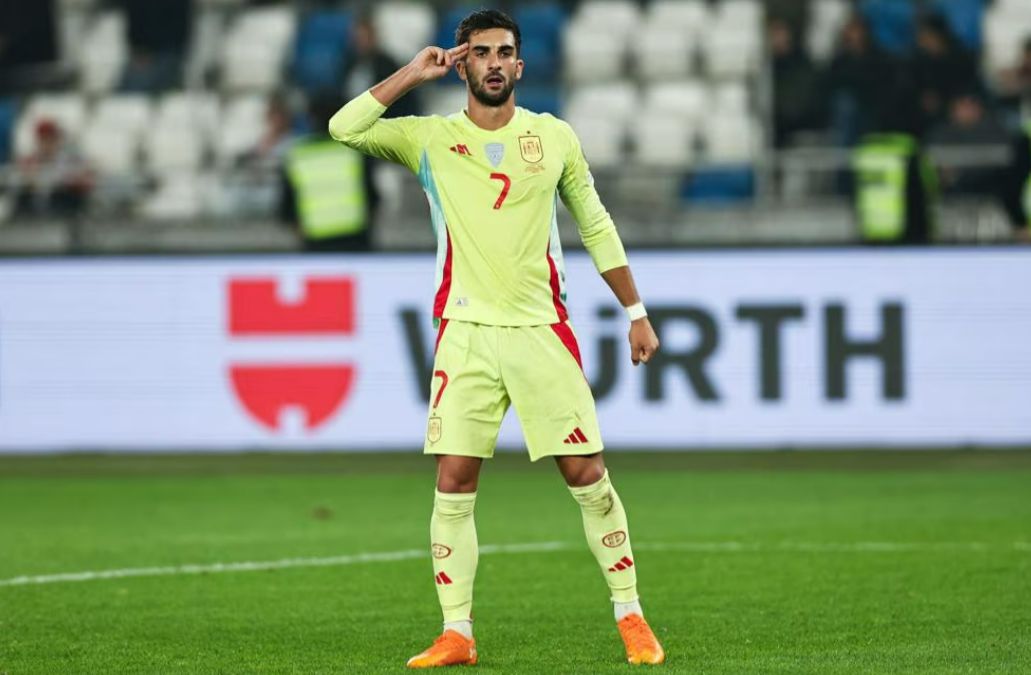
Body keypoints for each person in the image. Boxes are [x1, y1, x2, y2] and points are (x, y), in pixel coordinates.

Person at [328, 9, 664, 668]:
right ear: (462, 63)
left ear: (519, 65)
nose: (492, 63)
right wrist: (412, 74)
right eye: (479, 52)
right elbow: (345, 127)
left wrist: (636, 310)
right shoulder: (429, 138)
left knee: (588, 474)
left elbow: (595, 224)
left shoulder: (552, 136)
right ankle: (457, 632)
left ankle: (630, 615)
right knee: (453, 481)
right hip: (466, 333)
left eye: (503, 52)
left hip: (541, 331)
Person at [282, 97, 377, 251]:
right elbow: (373, 197)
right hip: (355, 240)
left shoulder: (297, 156)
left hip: (315, 243)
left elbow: (286, 209)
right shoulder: (357, 152)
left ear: (310, 118)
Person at [14, 118, 92, 217]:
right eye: (43, 139)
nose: (47, 143)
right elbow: (20, 179)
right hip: (36, 206)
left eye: (50, 139)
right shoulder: (30, 159)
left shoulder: (70, 159)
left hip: (63, 205)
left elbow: (85, 178)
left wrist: (69, 180)